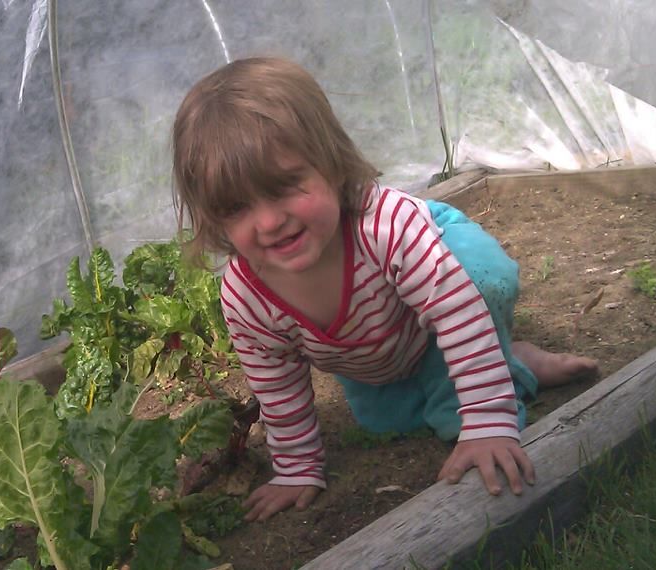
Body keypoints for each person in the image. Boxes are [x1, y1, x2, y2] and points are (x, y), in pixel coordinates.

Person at [170, 57, 599, 522]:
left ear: (332, 165)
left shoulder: (384, 227)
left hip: (444, 268)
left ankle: (496, 365)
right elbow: (276, 382)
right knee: (384, 420)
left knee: (479, 284)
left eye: (285, 187)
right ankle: (511, 360)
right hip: (382, 344)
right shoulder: (245, 295)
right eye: (237, 208)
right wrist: (296, 469)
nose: (270, 221)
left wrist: (487, 423)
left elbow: (455, 309)